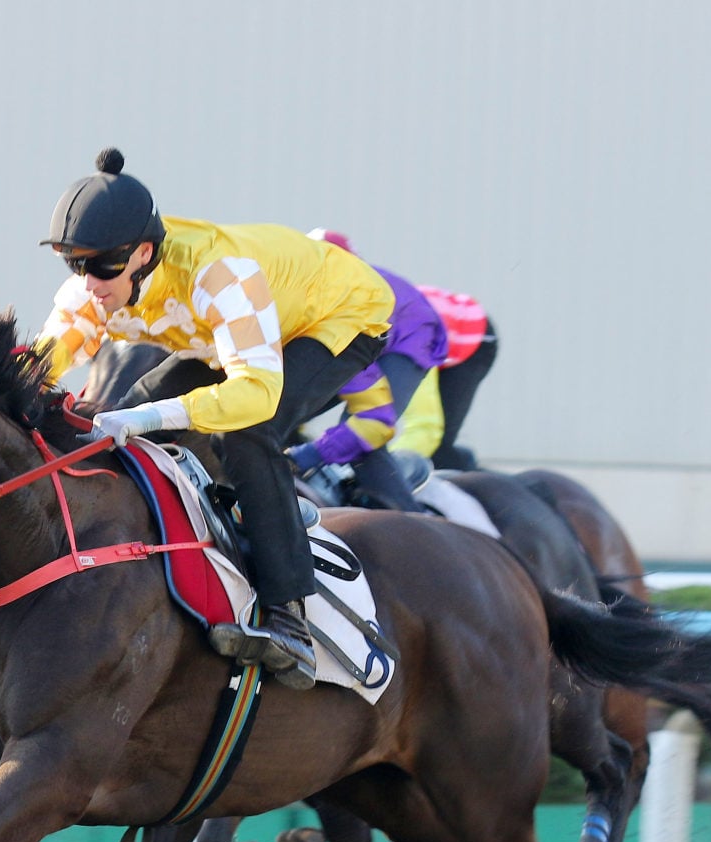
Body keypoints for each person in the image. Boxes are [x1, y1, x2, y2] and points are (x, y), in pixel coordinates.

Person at [39, 150, 393, 689]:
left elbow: (253, 394)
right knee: (120, 425)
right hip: (234, 332)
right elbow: (45, 358)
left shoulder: (219, 275)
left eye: (102, 266)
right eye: (75, 263)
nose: (90, 282)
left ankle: (289, 616)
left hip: (337, 315)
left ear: (143, 253)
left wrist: (150, 415)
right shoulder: (98, 284)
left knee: (246, 429)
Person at [290, 230, 446, 512]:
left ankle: (408, 518)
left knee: (364, 440)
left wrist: (307, 456)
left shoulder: (350, 307)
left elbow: (372, 420)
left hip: (409, 334)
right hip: (375, 327)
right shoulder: (298, 301)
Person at [389, 285, 497, 470]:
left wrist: (389, 469)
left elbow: (425, 429)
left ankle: (485, 483)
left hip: (473, 336)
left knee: (437, 448)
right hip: (435, 325)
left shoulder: (409, 342)